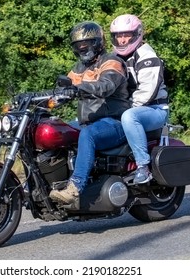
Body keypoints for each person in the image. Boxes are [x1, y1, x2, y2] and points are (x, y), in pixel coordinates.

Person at [49, 21, 130, 204]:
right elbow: (63, 91)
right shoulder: (78, 69)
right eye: (78, 46)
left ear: (98, 42)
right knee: (58, 131)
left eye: (86, 44)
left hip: (115, 122)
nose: (82, 48)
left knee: (88, 135)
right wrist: (43, 100)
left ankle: (75, 187)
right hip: (89, 122)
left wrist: (78, 88)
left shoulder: (112, 62)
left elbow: (106, 86)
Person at [110, 14, 169, 184]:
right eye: (118, 36)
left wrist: (122, 109)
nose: (121, 40)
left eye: (126, 35)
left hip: (154, 110)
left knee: (130, 117)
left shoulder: (146, 56)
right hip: (129, 107)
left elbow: (146, 93)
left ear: (137, 34)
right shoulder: (115, 57)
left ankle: (143, 166)